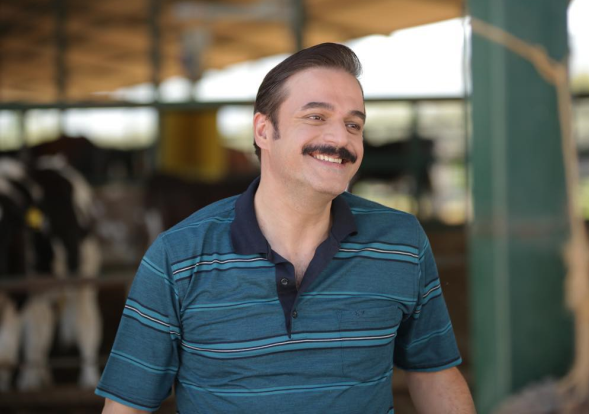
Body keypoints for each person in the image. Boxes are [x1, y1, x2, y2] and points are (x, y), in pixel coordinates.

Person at [97, 42, 476, 413]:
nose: (341, 138)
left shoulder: (401, 242)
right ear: (264, 131)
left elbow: (434, 373)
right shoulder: (178, 256)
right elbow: (127, 406)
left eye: (353, 124)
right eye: (316, 117)